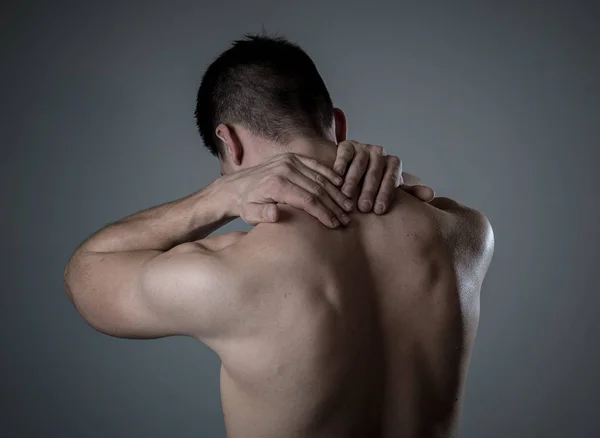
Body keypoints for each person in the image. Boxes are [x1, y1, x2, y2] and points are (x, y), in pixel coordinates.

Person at [64, 34, 494, 438]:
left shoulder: (230, 273)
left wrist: (218, 197)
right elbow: (422, 204)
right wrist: (391, 182)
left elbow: (87, 272)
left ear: (229, 144)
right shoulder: (465, 234)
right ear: (338, 126)